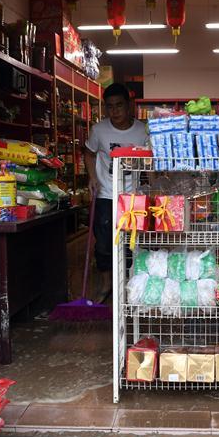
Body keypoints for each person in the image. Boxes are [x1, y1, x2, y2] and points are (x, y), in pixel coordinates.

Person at [83, 83, 148, 300]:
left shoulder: (142, 130)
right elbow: (90, 153)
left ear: (128, 105)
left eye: (119, 105)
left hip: (133, 199)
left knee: (132, 243)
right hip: (105, 196)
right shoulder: (98, 130)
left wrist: (155, 189)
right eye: (109, 107)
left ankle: (129, 286)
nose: (115, 111)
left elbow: (151, 161)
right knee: (103, 244)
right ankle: (106, 285)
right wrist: (92, 177)